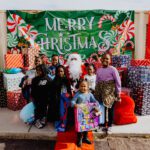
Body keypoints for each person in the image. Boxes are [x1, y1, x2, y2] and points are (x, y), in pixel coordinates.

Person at [94, 53, 121, 132]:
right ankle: (101, 124)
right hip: (100, 90)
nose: (105, 60)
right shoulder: (99, 70)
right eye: (104, 58)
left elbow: (117, 81)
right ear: (101, 60)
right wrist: (96, 90)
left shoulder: (113, 69)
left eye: (107, 59)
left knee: (110, 108)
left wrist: (118, 92)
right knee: (101, 108)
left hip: (110, 91)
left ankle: (109, 125)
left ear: (110, 60)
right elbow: (97, 81)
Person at [71, 80, 99, 147]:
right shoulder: (78, 94)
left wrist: (96, 106)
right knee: (80, 126)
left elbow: (95, 101)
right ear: (79, 87)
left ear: (88, 87)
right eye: (81, 86)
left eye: (85, 86)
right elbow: (72, 101)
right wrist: (75, 105)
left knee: (87, 126)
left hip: (88, 113)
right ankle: (79, 138)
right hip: (79, 114)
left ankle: (85, 138)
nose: (83, 88)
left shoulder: (90, 94)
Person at [31, 64, 52, 129]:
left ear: (44, 70)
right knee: (37, 109)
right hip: (37, 98)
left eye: (40, 70)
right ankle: (37, 121)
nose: (38, 72)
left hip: (45, 98)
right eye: (37, 70)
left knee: (44, 109)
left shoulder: (48, 79)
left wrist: (49, 98)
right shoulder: (35, 79)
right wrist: (33, 97)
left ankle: (43, 119)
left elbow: (50, 89)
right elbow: (33, 89)